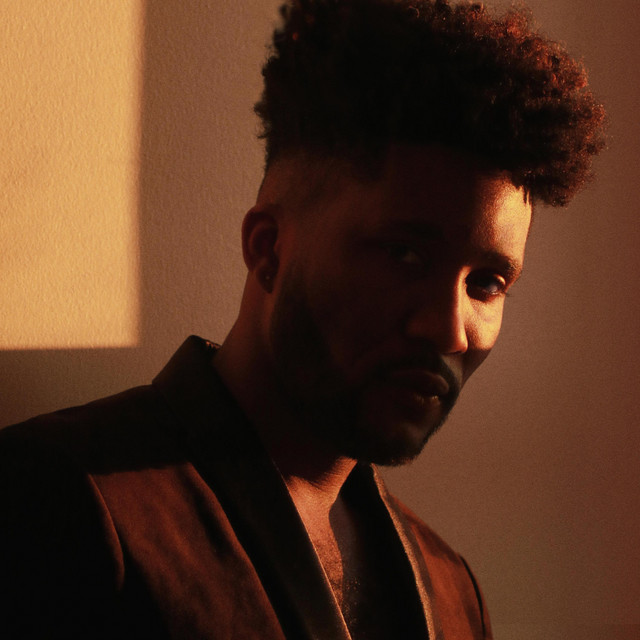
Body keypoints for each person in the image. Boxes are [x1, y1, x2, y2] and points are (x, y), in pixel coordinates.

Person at [0, 0, 605, 638]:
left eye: (486, 283)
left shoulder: (453, 592)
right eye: (404, 255)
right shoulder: (55, 496)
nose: (449, 329)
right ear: (269, 249)